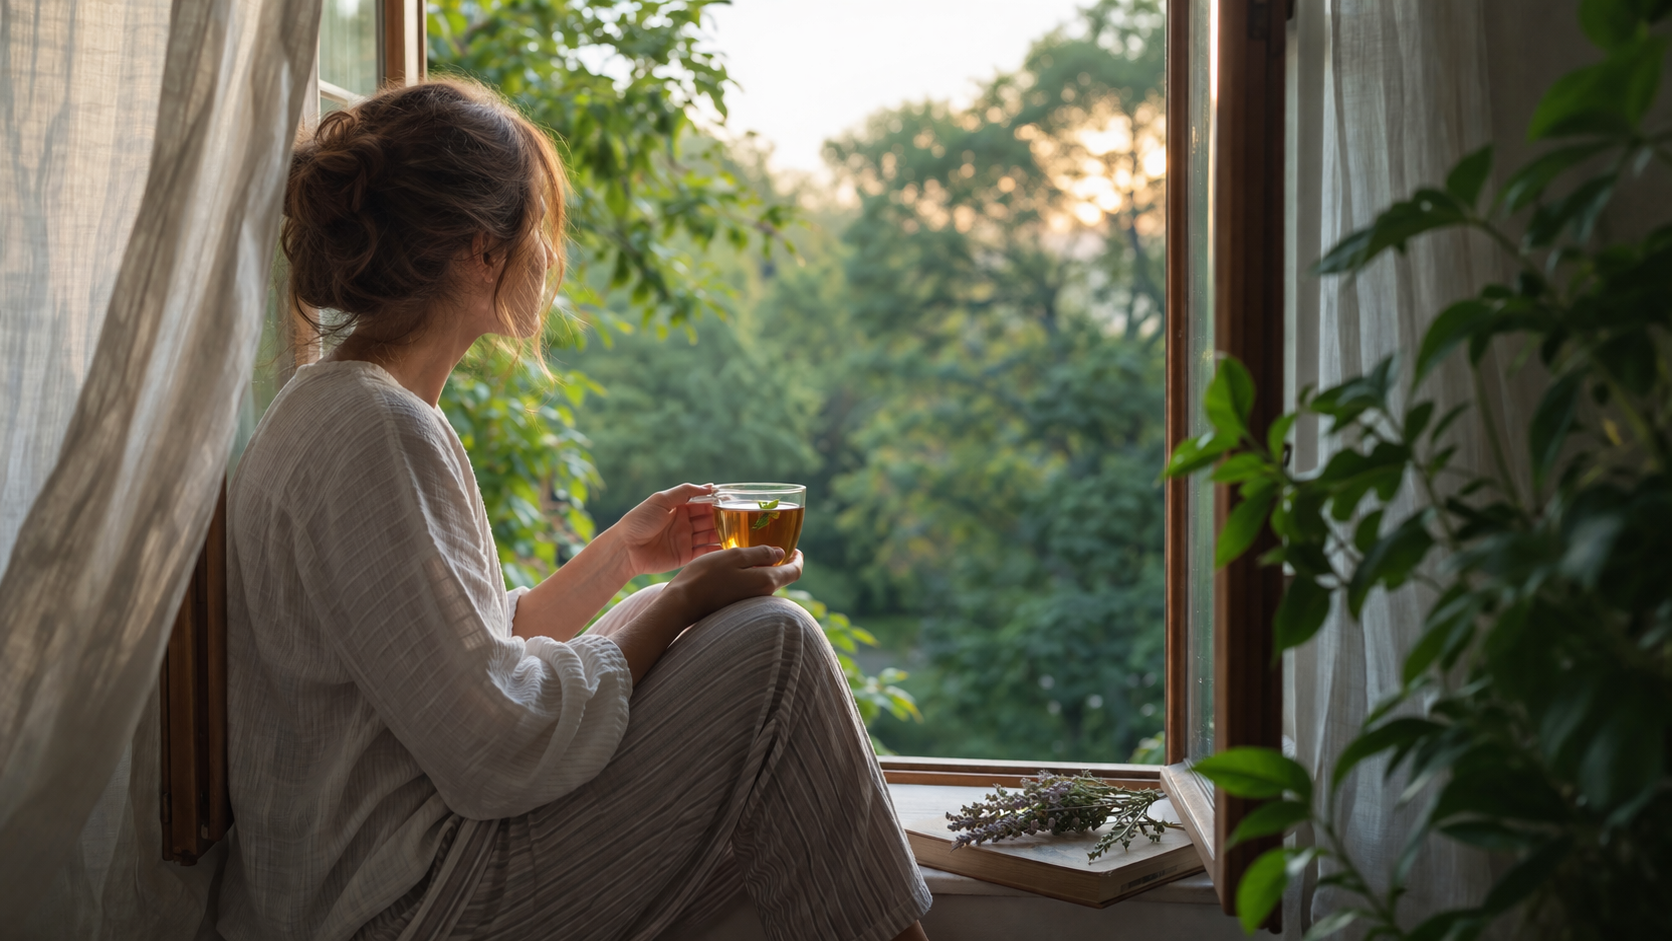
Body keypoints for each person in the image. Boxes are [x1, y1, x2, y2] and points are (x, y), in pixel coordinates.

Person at [219, 78, 931, 941]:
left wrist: (626, 557)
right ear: (484, 252)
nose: (552, 260)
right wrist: (677, 603)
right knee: (775, 650)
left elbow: (459, 654)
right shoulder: (376, 429)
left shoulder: (341, 406)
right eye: (542, 234)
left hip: (393, 886)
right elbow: (494, 745)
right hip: (406, 910)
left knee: (764, 746)